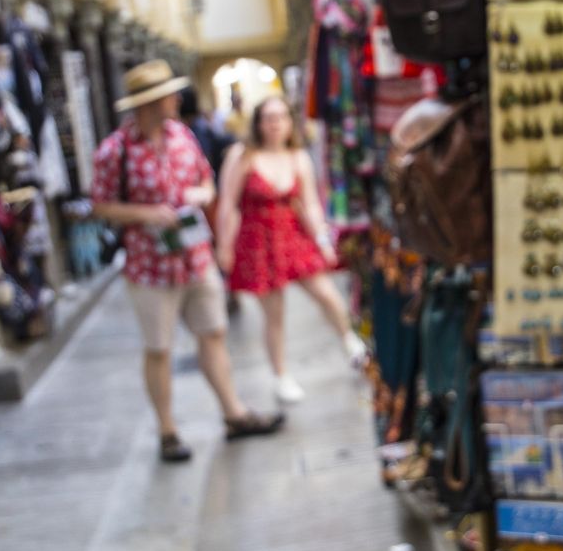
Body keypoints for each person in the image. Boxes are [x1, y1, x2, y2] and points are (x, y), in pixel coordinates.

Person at [91, 60, 284, 463]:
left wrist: (201, 194)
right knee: (159, 348)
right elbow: (100, 204)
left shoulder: (183, 136)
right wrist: (145, 215)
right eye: (169, 95)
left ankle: (233, 413)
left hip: (195, 257)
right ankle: (167, 431)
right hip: (149, 266)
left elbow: (206, 180)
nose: (177, 100)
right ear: (151, 103)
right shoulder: (115, 150)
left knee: (213, 333)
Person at [215, 96, 367, 403]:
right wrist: (224, 245)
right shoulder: (242, 156)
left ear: (289, 121)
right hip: (258, 241)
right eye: (268, 118)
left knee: (326, 293)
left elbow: (310, 204)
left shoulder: (298, 157)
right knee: (274, 314)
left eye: (280, 117)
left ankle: (350, 340)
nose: (274, 124)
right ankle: (280, 375)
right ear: (259, 122)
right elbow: (228, 203)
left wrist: (323, 241)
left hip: (293, 236)